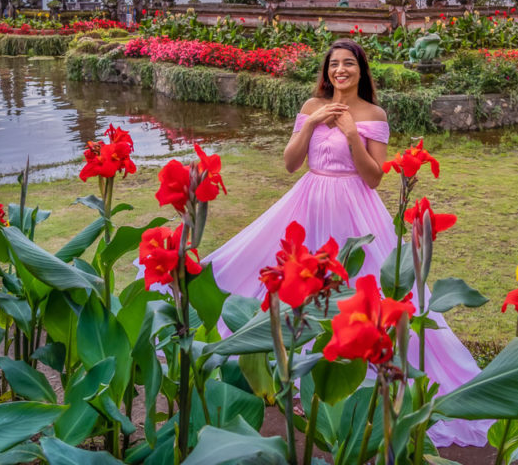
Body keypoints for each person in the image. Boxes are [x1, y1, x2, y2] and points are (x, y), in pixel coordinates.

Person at [207, 39, 490, 448]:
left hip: (355, 208)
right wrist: (311, 123)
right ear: (326, 72)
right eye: (334, 64)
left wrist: (352, 135)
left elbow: (374, 177)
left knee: (362, 287)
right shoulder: (309, 106)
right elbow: (290, 164)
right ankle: (299, 374)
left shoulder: (374, 114)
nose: (341, 71)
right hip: (308, 201)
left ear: (361, 71)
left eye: (348, 64)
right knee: (298, 287)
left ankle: (361, 374)